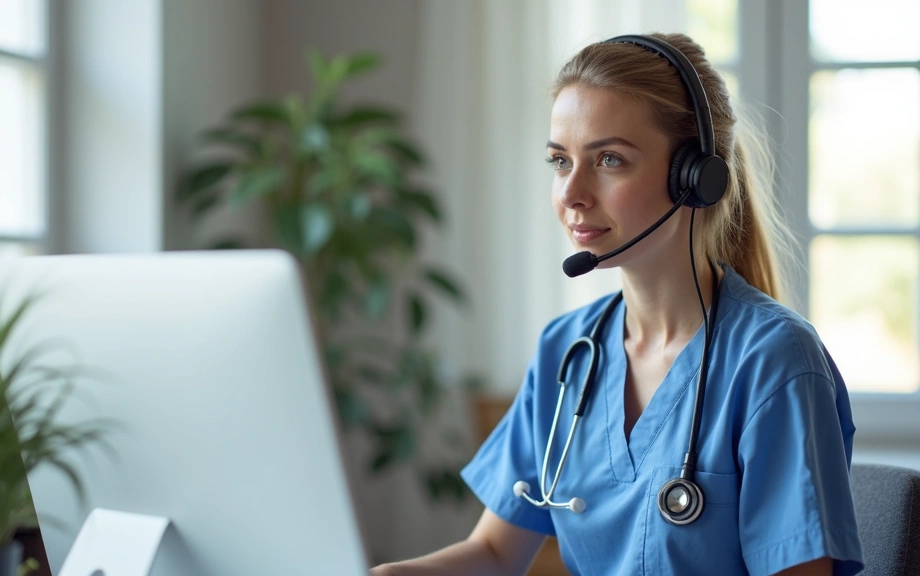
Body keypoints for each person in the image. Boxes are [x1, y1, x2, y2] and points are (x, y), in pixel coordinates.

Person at [370, 32, 863, 576]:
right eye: (560, 161)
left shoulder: (773, 361)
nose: (573, 192)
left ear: (695, 177)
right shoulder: (567, 350)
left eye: (608, 159)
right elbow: (493, 554)